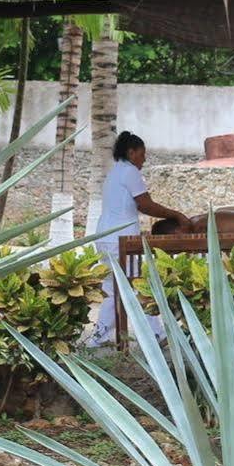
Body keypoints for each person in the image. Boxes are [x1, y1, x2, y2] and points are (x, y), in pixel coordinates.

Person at [84, 131, 189, 345]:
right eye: (142, 154)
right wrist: (176, 215)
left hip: (105, 237)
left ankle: (98, 337)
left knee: (113, 288)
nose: (145, 159)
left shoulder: (115, 172)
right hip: (120, 240)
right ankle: (156, 334)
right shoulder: (130, 172)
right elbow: (145, 204)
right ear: (131, 152)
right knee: (137, 285)